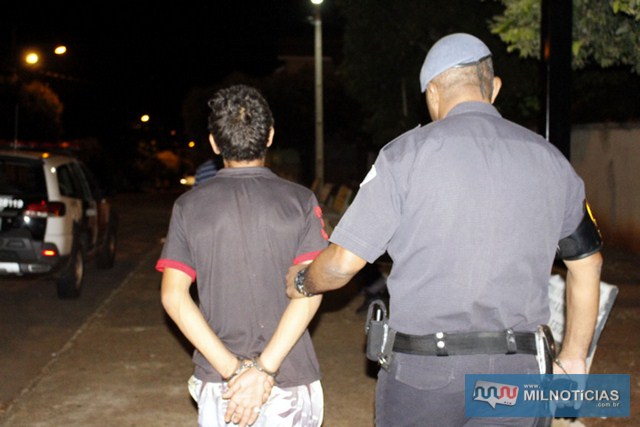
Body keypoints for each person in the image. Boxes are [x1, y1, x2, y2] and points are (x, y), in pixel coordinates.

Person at [286, 33, 603, 426]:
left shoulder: (404, 156)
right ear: (495, 88)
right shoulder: (552, 161)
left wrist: (302, 281)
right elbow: (588, 264)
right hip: (518, 376)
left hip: (423, 377)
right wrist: (573, 356)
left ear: (432, 93)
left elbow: (342, 264)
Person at [157, 84, 327, 427]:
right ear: (269, 136)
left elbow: (174, 297)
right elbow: (310, 291)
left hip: (223, 385)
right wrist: (264, 369)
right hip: (290, 376)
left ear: (214, 143)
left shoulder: (188, 207)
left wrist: (234, 371)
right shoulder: (301, 202)